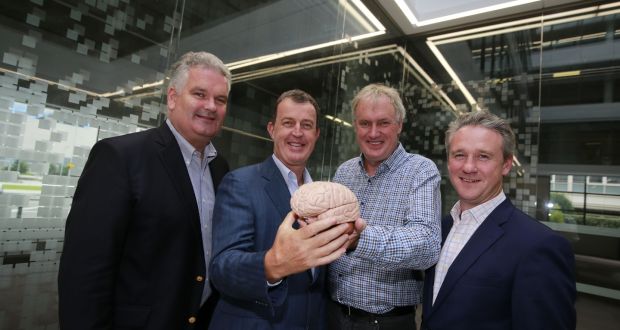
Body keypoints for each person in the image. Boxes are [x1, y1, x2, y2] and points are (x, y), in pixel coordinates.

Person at [58, 51, 231, 329]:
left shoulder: (220, 168)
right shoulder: (119, 157)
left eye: (220, 99)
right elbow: (85, 273)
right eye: (199, 94)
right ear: (172, 98)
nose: (211, 106)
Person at [209, 89, 359, 330]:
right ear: (272, 129)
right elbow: (222, 269)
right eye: (288, 123)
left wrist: (347, 241)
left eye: (307, 125)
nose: (297, 133)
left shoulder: (324, 197)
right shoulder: (241, 183)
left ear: (317, 134)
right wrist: (273, 264)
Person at [421, 111, 576, 329]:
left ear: (506, 165)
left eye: (483, 156)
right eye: (459, 155)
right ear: (448, 161)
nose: (468, 167)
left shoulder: (539, 245)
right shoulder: (440, 228)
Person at [327, 83, 442, 329]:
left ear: (399, 125)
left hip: (385, 322)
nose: (373, 133)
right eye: (365, 123)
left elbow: (427, 245)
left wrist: (361, 238)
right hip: (333, 315)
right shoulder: (343, 172)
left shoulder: (421, 170)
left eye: (383, 123)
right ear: (355, 125)